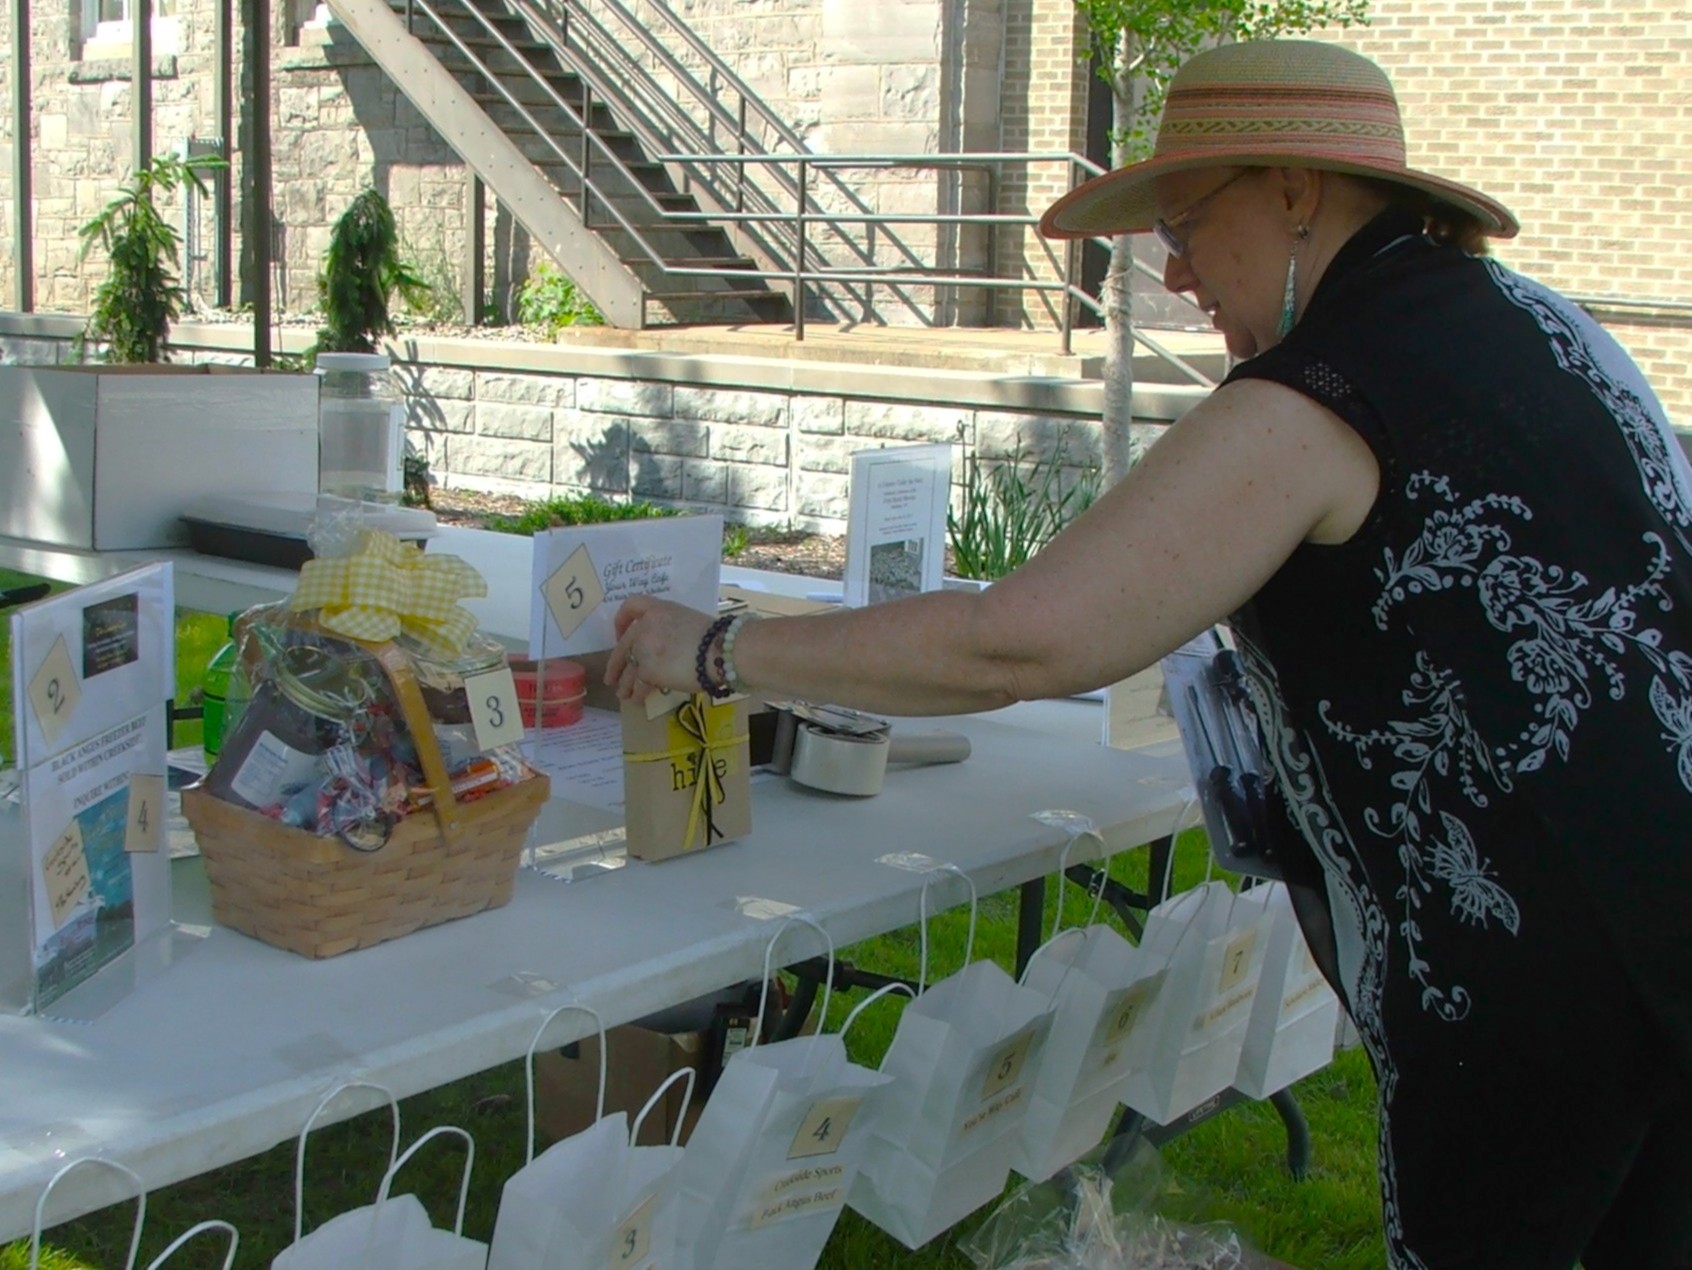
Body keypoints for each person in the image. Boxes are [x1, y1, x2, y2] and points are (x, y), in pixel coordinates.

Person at [606, 39, 1692, 1270]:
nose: (1173, 273)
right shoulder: (1548, 328)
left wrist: (725, 650)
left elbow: (1016, 641)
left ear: (1294, 191)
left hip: (1538, 995)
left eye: (1186, 220)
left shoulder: (1326, 390)